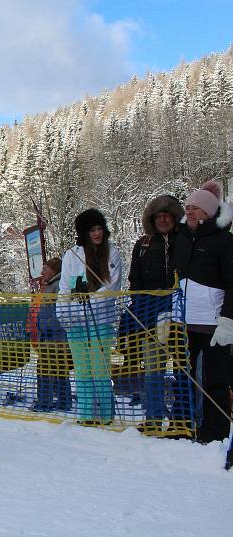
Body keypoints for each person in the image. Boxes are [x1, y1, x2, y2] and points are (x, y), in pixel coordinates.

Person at [171, 181, 233, 443]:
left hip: (214, 324)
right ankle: (181, 425)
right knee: (181, 375)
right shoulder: (182, 238)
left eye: (196, 208)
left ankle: (215, 433)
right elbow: (175, 280)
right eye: (188, 207)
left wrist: (228, 320)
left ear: (208, 212)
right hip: (186, 322)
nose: (191, 212)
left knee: (215, 381)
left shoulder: (224, 240)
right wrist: (171, 314)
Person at [56, 209, 122, 425]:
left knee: (100, 368)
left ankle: (105, 415)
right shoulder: (71, 255)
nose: (97, 234)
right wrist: (63, 312)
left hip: (100, 321)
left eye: (99, 229)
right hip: (75, 324)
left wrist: (86, 306)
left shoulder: (111, 253)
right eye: (92, 230)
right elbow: (64, 287)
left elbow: (110, 287)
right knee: (83, 370)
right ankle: (85, 414)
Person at [126, 195, 183, 435]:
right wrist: (139, 305)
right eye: (158, 216)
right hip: (150, 317)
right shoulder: (143, 244)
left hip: (180, 316)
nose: (162, 220)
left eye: (166, 215)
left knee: (183, 370)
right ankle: (153, 419)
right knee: (153, 371)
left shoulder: (184, 240)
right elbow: (134, 280)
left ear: (174, 217)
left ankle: (183, 419)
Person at [29, 258, 73, 412]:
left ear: (54, 271)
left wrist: (44, 326)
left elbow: (60, 312)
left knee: (44, 370)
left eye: (45, 269)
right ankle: (64, 401)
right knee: (60, 370)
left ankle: (45, 402)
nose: (42, 273)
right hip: (51, 336)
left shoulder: (59, 286)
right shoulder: (50, 286)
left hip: (54, 336)